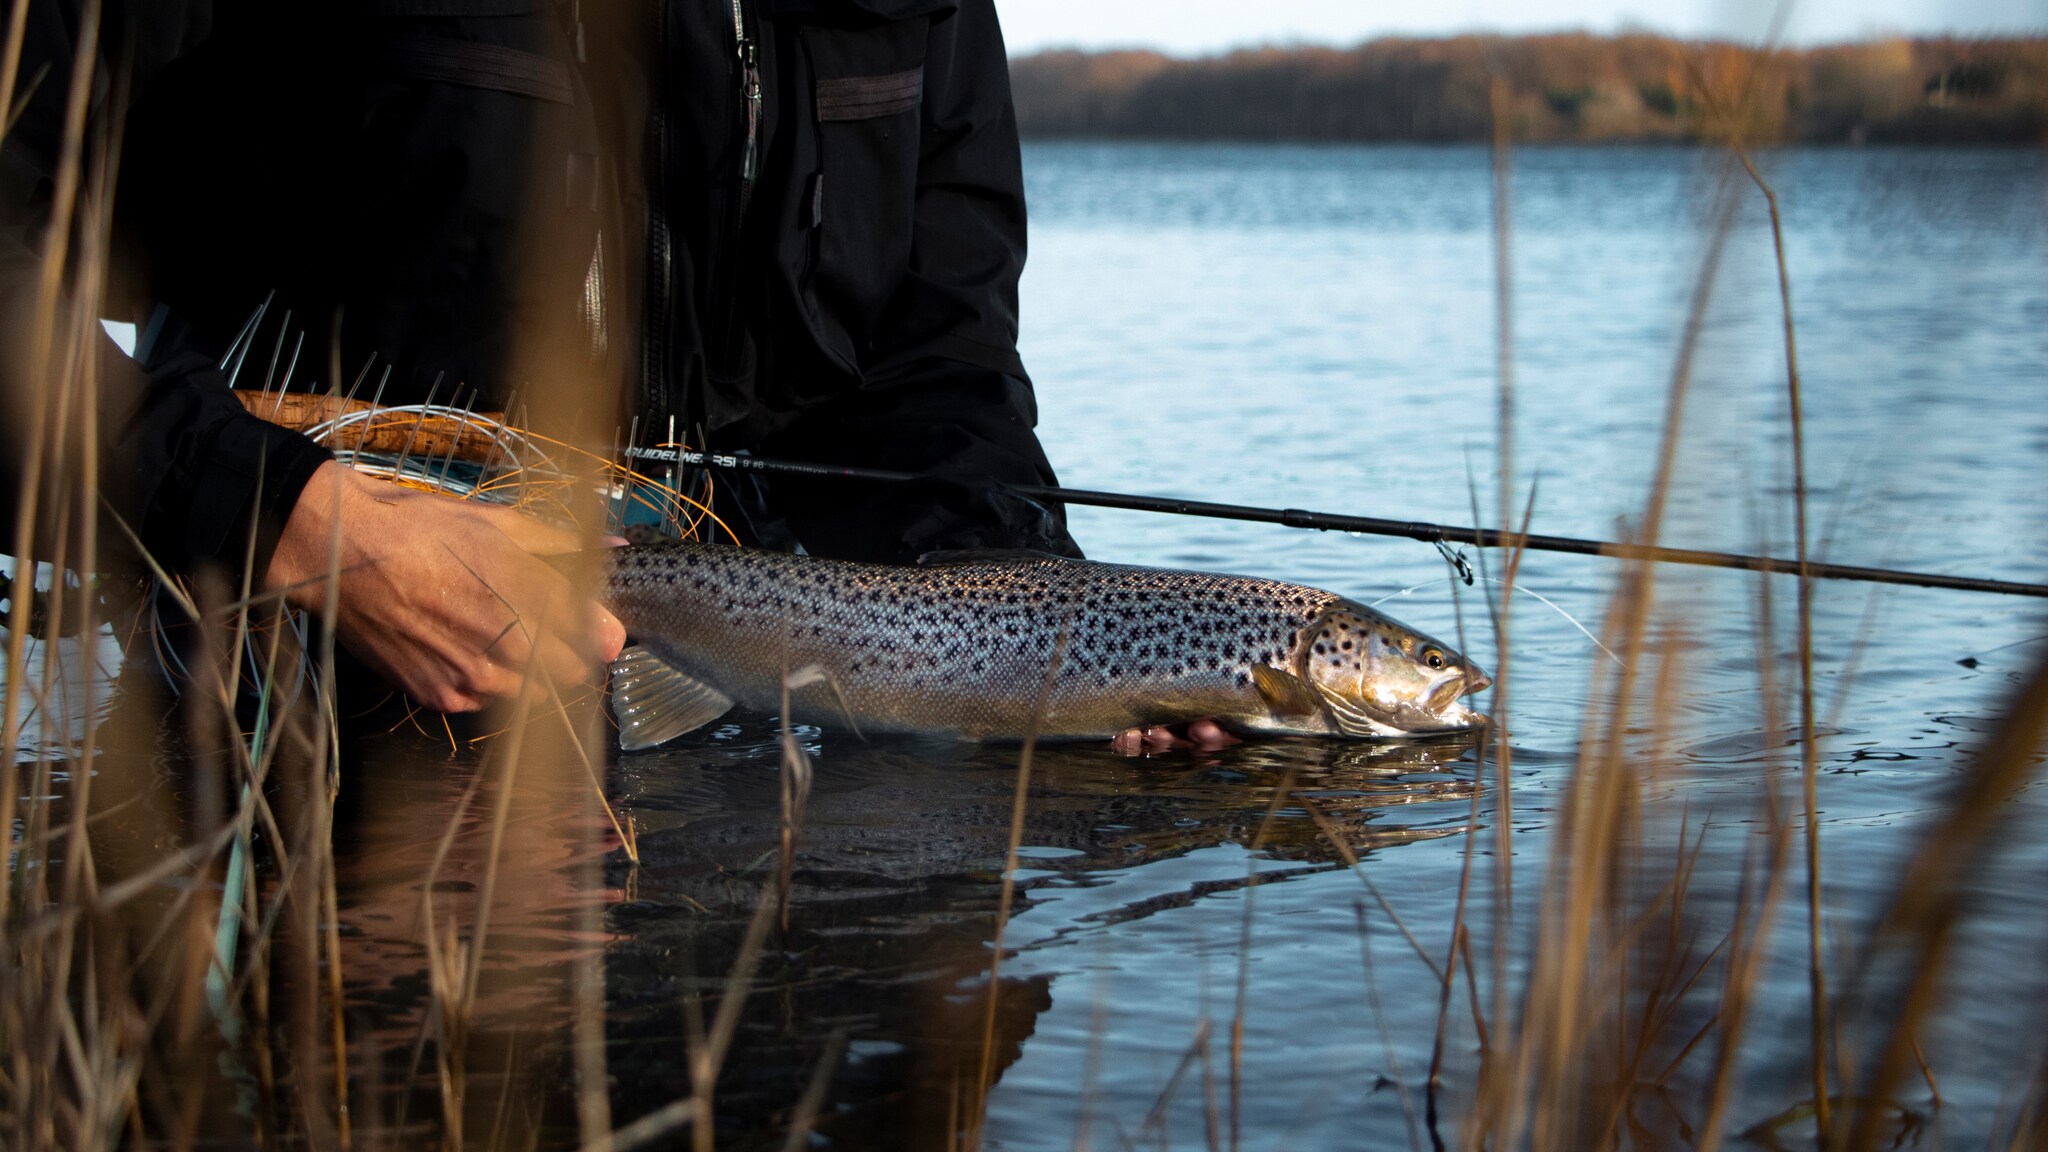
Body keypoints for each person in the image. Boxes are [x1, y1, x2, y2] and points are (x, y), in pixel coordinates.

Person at [2, 0, 1080, 715]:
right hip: (287, 709)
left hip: (724, 729)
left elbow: (936, 370)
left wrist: (1061, 652)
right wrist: (295, 522)